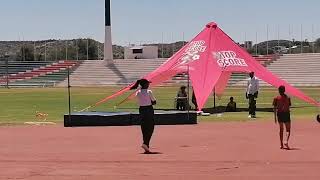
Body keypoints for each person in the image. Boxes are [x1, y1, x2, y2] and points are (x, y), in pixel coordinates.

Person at [130, 79, 156, 154]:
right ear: (145, 85)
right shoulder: (149, 92)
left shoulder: (138, 92)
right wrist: (151, 101)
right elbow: (154, 102)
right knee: (150, 127)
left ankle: (146, 144)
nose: (149, 85)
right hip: (148, 109)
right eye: (148, 84)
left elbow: (139, 98)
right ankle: (145, 143)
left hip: (141, 109)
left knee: (144, 127)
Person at [273, 85, 291, 150]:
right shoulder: (288, 97)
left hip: (279, 114)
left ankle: (281, 144)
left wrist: (275, 117)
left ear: (279, 91)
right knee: (288, 129)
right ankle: (286, 141)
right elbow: (289, 106)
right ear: (284, 90)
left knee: (281, 129)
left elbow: (274, 108)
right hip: (286, 114)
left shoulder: (276, 98)